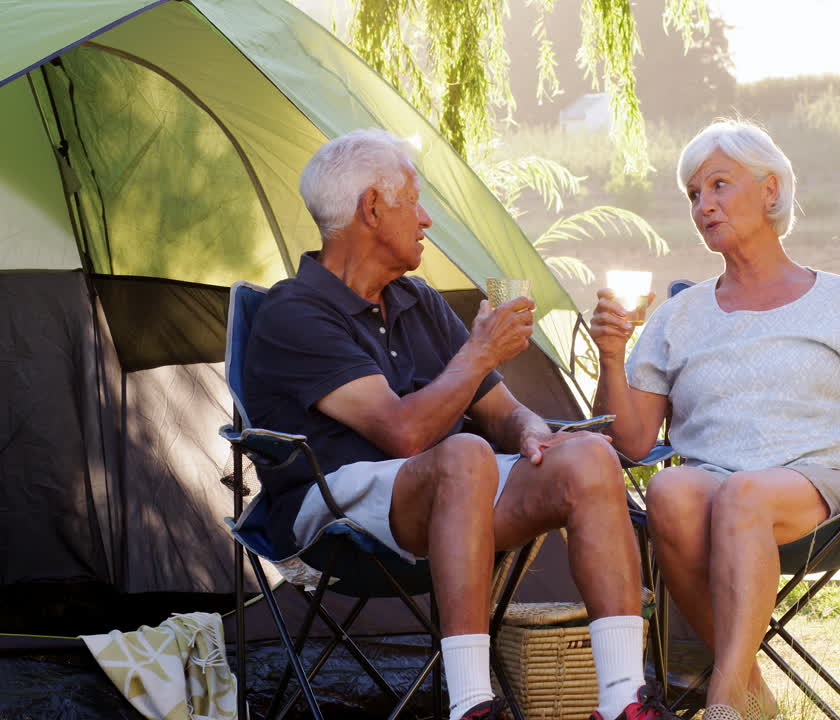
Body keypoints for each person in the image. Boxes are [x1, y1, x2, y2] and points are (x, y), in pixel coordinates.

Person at [245, 129, 675, 720]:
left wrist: (529, 429)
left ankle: (624, 699)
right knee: (466, 454)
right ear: (372, 208)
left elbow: (500, 411)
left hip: (455, 496)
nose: (425, 219)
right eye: (413, 201)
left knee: (587, 457)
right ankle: (472, 704)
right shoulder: (294, 311)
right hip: (336, 507)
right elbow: (400, 434)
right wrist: (479, 353)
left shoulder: (417, 300)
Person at [589, 119, 840, 720]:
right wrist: (611, 357)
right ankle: (754, 697)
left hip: (827, 489)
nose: (704, 205)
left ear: (771, 191)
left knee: (743, 495)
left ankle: (721, 701)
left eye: (718, 185)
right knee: (670, 487)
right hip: (715, 486)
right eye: (693, 195)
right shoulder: (677, 314)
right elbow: (634, 440)